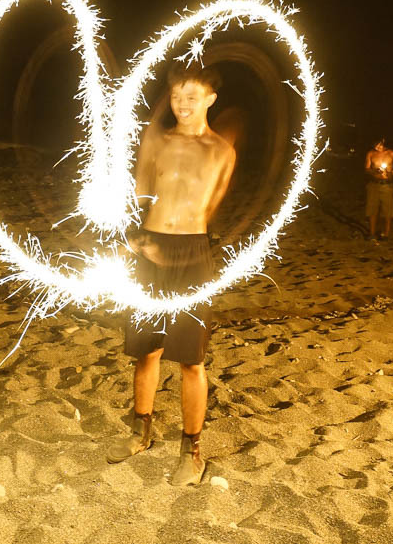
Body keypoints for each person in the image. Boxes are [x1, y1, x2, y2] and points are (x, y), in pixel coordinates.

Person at [106, 62, 236, 486]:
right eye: (177, 95)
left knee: (191, 359)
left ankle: (192, 451)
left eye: (192, 96)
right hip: (151, 247)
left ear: (210, 99)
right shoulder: (156, 141)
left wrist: (193, 250)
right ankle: (139, 430)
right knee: (147, 350)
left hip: (192, 255)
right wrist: (136, 239)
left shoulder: (221, 150)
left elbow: (212, 206)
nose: (182, 104)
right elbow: (139, 192)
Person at [364, 137, 393, 240]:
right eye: (375, 146)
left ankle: (387, 233)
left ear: (383, 141)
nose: (377, 147)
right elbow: (367, 168)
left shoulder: (391, 154)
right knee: (372, 209)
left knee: (387, 210)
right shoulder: (371, 154)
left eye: (379, 145)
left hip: (387, 185)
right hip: (373, 185)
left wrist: (391, 173)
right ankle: (372, 234)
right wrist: (374, 172)